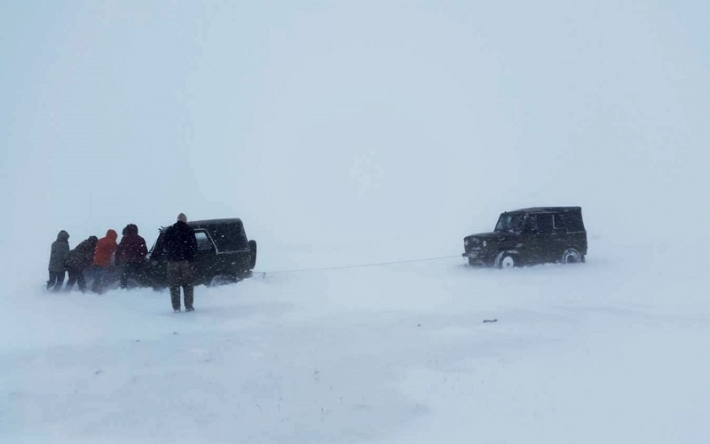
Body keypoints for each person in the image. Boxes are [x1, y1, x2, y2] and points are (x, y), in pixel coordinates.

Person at [164, 213, 197, 312]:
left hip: (172, 262)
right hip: (185, 262)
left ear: (177, 220)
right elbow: (194, 247)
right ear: (185, 220)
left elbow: (165, 246)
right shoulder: (189, 230)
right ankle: (189, 306)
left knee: (174, 286)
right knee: (188, 285)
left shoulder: (170, 230)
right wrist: (190, 258)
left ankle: (176, 308)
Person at [116, 223, 148, 289]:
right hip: (140, 261)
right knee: (141, 275)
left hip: (129, 261)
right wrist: (141, 258)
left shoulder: (125, 239)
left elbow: (119, 250)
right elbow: (145, 251)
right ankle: (144, 288)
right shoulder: (141, 239)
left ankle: (123, 289)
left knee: (124, 276)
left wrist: (117, 259)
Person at [91, 229, 118, 294]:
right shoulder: (112, 242)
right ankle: (98, 290)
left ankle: (94, 288)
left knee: (97, 276)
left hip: (96, 261)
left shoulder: (100, 240)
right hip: (104, 261)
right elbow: (115, 252)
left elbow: (96, 250)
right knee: (102, 275)